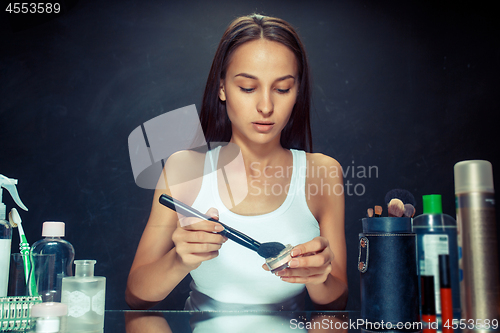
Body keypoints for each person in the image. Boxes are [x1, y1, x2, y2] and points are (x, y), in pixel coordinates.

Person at [126, 14, 348, 311]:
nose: (266, 107)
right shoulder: (184, 170)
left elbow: (338, 299)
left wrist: (318, 277)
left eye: (282, 89)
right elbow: (136, 295)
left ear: (297, 92)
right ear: (222, 88)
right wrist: (179, 259)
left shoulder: (322, 172)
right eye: (247, 88)